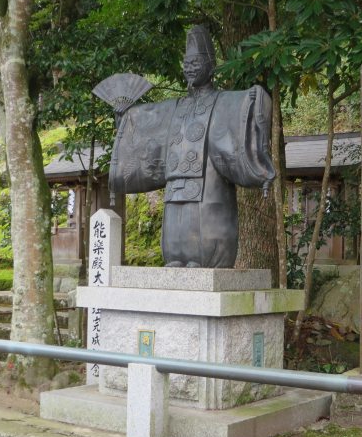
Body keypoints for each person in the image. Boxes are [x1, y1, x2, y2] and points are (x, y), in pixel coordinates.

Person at [106, 25, 275, 268]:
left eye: (196, 62)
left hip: (210, 183)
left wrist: (256, 99)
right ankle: (176, 257)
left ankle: (206, 258)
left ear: (211, 65)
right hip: (175, 184)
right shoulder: (173, 107)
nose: (189, 67)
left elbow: (245, 107)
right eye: (187, 62)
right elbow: (144, 126)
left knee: (206, 220)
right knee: (176, 224)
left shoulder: (222, 101)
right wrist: (125, 118)